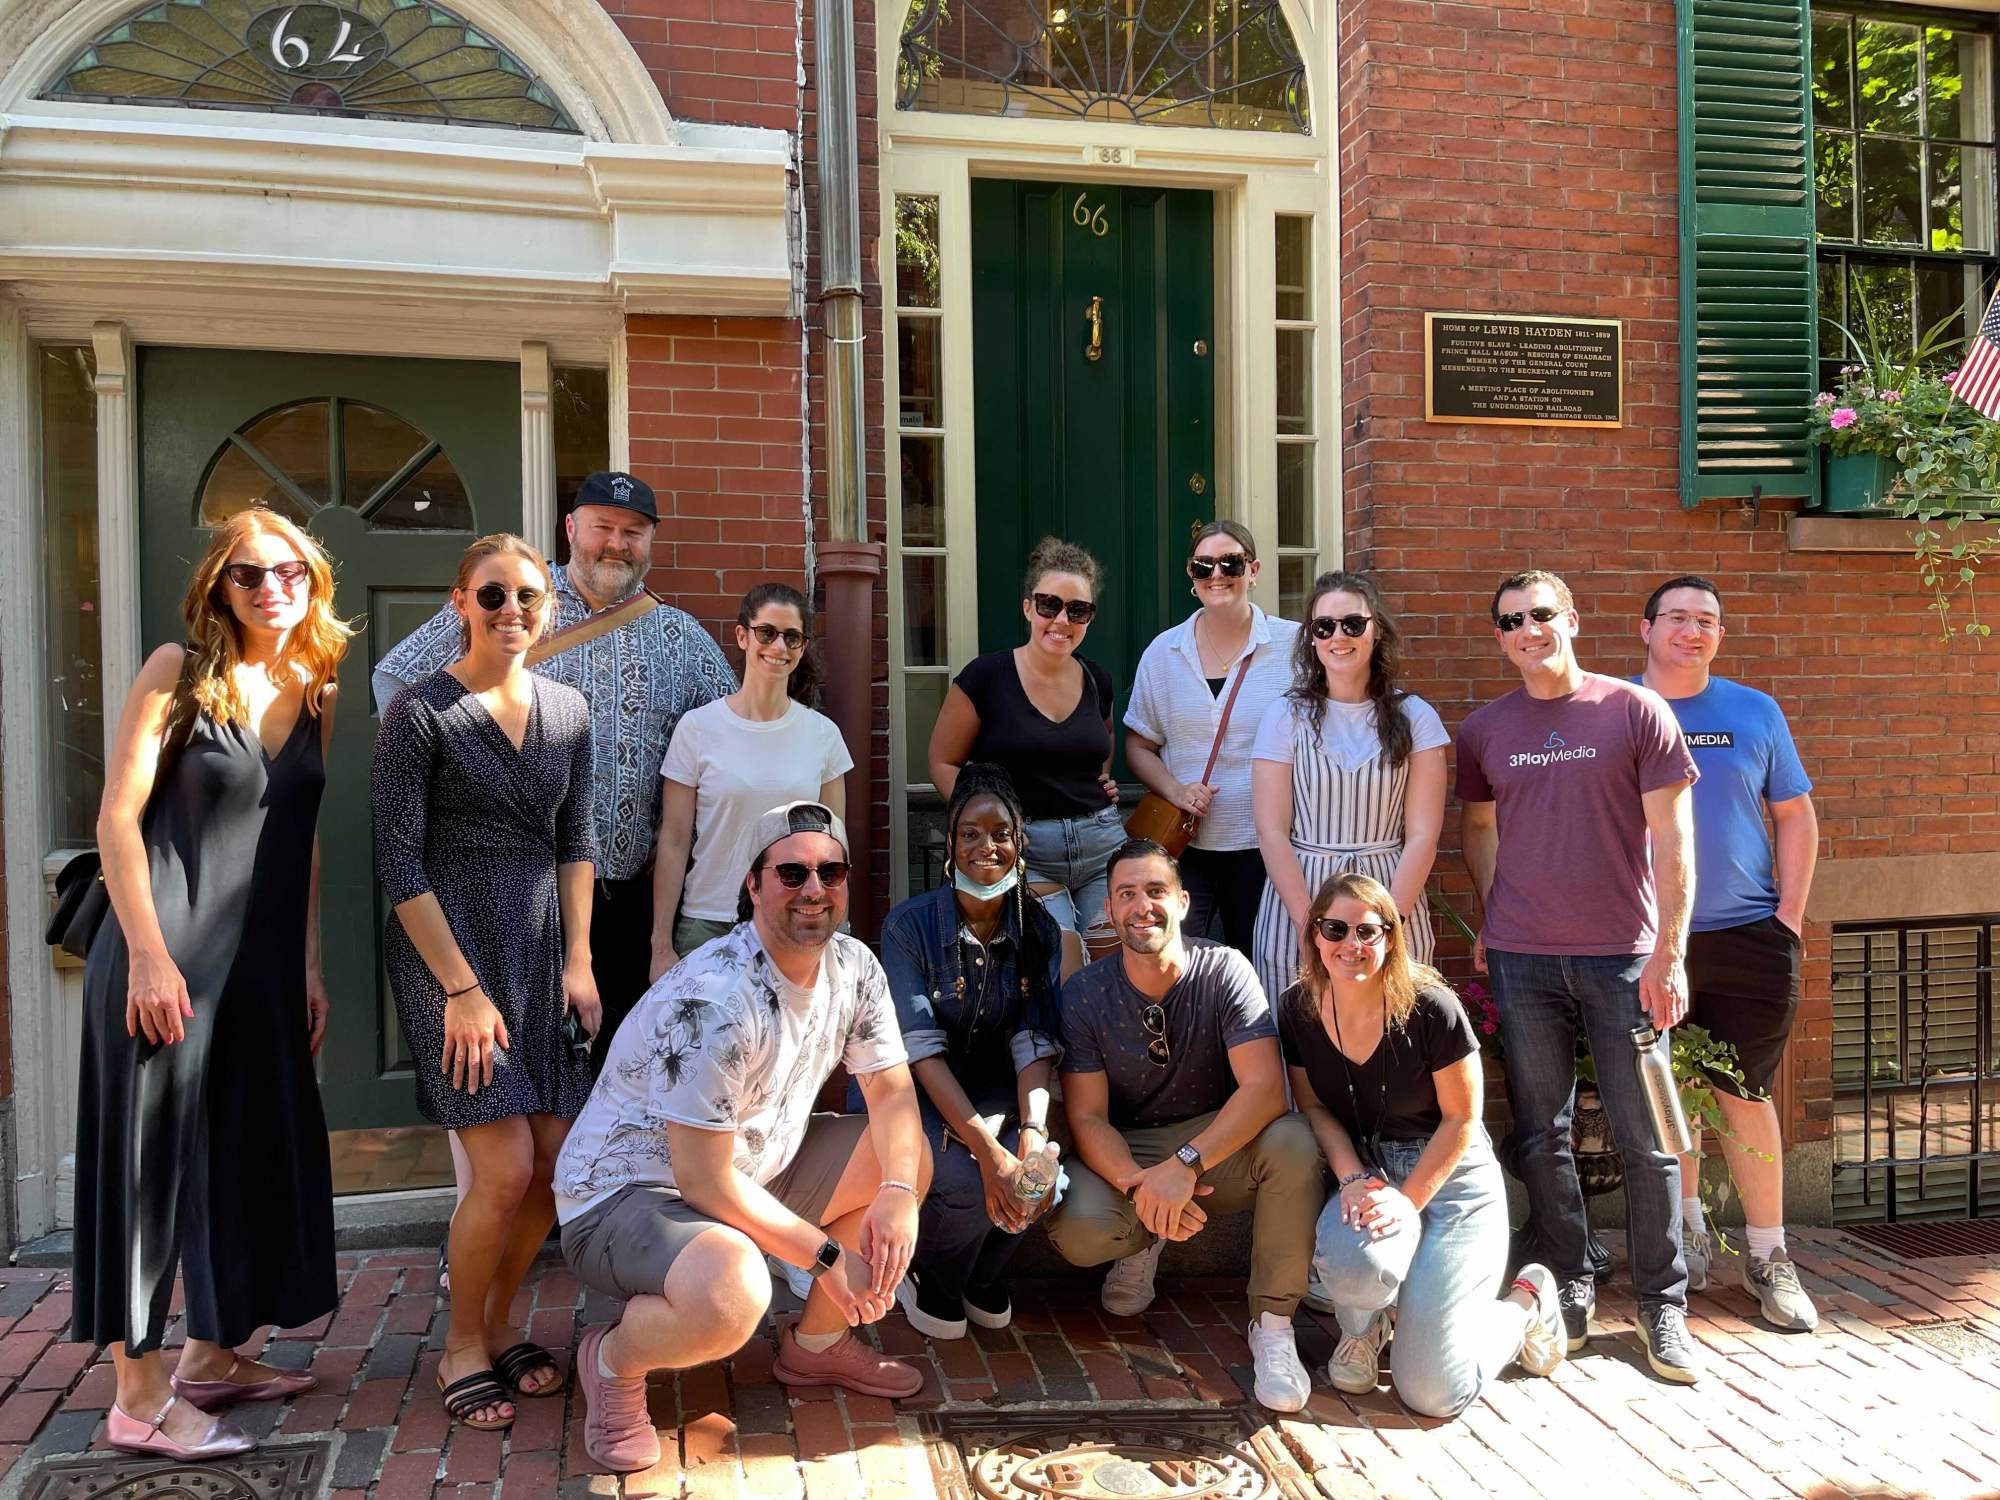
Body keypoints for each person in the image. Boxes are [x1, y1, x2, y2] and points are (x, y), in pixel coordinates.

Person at [72, 508, 350, 1459]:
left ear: (313, 579)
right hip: (164, 951)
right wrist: (146, 954)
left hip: (262, 964)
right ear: (218, 589)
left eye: (288, 571)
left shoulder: (317, 682)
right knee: (145, 1170)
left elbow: (300, 839)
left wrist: (309, 963)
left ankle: (213, 1354)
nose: (270, 587)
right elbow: (117, 820)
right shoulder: (175, 673)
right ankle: (138, 1396)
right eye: (247, 575)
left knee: (245, 1153)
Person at [553, 802, 932, 1474]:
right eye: (791, 873)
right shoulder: (717, 996)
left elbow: (893, 1093)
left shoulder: (855, 967)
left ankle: (815, 1347)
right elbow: (700, 1181)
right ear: (752, 887)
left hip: (750, 1165)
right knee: (735, 1292)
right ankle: (612, 1360)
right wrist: (825, 1257)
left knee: (904, 1154)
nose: (815, 888)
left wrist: (900, 1192)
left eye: (831, 871)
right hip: (625, 1194)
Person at [373, 471, 735, 1068]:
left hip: (629, 897)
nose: (616, 543)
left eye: (633, 532)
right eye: (603, 528)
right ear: (571, 529)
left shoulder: (681, 635)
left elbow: (726, 742)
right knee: (505, 1073)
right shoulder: (515, 595)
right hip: (520, 896)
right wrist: (457, 791)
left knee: (618, 1066)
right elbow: (396, 678)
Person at [372, 533, 602, 1432]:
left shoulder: (572, 711)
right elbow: (399, 864)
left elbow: (575, 843)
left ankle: (504, 1322)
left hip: (540, 950)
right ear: (459, 602)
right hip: (450, 954)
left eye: (530, 597)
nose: (514, 611)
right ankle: (462, 1343)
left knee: (554, 1162)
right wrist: (462, 992)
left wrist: (580, 960)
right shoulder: (422, 713)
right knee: (501, 1166)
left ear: (550, 609)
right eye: (494, 595)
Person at [1456, 569, 1703, 1384]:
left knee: (1650, 1139)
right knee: (1541, 1132)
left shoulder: (1634, 711)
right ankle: (1571, 1279)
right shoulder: (1487, 729)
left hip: (1621, 957)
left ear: (1571, 618)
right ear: (1499, 637)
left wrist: (1670, 950)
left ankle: (1664, 1304)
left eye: (1540, 614)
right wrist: (1492, 919)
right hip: (1525, 960)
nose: (1527, 629)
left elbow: (1674, 840)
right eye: (1510, 621)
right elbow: (1481, 831)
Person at [1045, 837, 1322, 1413]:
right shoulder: (1085, 993)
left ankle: (1272, 1325)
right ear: (1108, 910)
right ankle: (1146, 1236)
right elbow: (1087, 1114)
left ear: (1183, 902)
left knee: (1295, 1142)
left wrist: (1184, 1167)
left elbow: (1266, 1090)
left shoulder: (1224, 969)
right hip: (1133, 1149)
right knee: (1079, 1231)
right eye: (1126, 894)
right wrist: (1140, 1186)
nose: (1140, 905)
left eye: (1154, 891)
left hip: (1218, 1144)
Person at [1285, 872, 1565, 1415]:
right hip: (1366, 1170)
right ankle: (1365, 1326)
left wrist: (1407, 1203)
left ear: (1391, 937)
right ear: (1315, 935)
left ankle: (1524, 1305)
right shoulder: (1298, 1009)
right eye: (1336, 929)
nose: (1352, 944)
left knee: (1434, 1393)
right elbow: (1314, 1106)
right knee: (1353, 1269)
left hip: (1451, 1179)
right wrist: (1350, 1177)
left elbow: (1462, 1119)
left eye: (1368, 931)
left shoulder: (1431, 1007)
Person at [1637, 575, 1819, 1331]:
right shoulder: (1619, 708)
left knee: (1745, 1096)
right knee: (1662, 1094)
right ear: (1644, 628)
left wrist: (1789, 920)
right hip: (1644, 939)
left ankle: (1770, 1256)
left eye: (1706, 620)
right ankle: (1684, 1239)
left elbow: (1797, 817)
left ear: (1719, 633)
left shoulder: (1755, 711)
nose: (1691, 630)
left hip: (1746, 936)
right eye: (1676, 617)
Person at [874, 763, 1063, 1339]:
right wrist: (987, 1149)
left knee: (1042, 1179)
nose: (987, 846)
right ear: (951, 846)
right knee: (959, 1175)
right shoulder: (910, 926)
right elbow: (921, 1051)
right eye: (971, 834)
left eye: (1001, 833)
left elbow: (1034, 1035)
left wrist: (1030, 1131)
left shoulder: (1039, 929)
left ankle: (980, 1273)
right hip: (916, 1091)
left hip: (998, 1088)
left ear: (1020, 844)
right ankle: (932, 1275)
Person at [1249, 571, 1447, 1009]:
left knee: (1394, 1039)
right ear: (1312, 639)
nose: (1339, 636)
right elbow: (1271, 831)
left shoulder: (1416, 718)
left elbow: (1423, 835)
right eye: (1325, 626)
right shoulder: (1285, 716)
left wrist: (1386, 925)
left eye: (1353, 624)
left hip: (1392, 898)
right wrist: (1312, 927)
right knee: (1301, 1046)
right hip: (1300, 897)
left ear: (1376, 631)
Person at [928, 537, 1120, 977]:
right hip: (1027, 848)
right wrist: (984, 826)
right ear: (1028, 608)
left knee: (1114, 968)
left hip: (1100, 844)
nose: (1061, 620)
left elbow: (1101, 743)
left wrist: (1102, 777)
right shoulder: (987, 677)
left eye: (1078, 610)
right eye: (1049, 604)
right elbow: (942, 761)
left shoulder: (1097, 678)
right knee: (1063, 965)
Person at [651, 584, 852, 979]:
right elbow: (673, 840)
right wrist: (661, 943)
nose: (779, 646)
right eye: (767, 633)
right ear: (743, 636)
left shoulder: (823, 735)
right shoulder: (697, 729)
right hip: (708, 923)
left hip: (795, 920)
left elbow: (835, 849)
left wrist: (839, 929)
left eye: (792, 637)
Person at [1124, 521, 1298, 950]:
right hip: (1186, 847)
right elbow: (1138, 745)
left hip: (1268, 843)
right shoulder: (1163, 653)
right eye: (1204, 565)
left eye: (1231, 563)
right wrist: (1175, 789)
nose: (1217, 574)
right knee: (1178, 966)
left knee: (1263, 965)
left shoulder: (1294, 647)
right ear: (1191, 575)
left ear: (1253, 570)